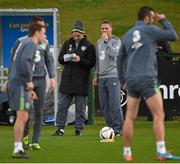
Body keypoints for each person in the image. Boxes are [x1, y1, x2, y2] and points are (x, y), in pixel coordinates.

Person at [117, 6, 180, 161]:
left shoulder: (127, 35)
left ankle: (127, 152)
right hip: (147, 79)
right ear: (147, 18)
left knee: (130, 117)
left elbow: (119, 59)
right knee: (159, 114)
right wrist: (163, 19)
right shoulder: (150, 30)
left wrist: (122, 80)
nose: (153, 19)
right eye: (152, 17)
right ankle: (161, 151)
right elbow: (173, 36)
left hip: (131, 80)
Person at [10, 17, 55, 150]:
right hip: (25, 81)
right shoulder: (23, 41)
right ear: (35, 29)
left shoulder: (44, 43)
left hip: (40, 79)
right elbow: (17, 61)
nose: (44, 33)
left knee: (38, 111)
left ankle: (34, 141)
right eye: (42, 30)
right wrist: (26, 81)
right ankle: (23, 139)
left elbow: (49, 60)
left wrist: (52, 76)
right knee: (24, 112)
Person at [7, 23, 47, 158]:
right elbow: (25, 62)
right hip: (19, 84)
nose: (45, 35)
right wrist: (29, 82)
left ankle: (18, 148)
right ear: (36, 33)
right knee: (22, 116)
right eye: (43, 32)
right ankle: (17, 149)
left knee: (23, 116)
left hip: (19, 83)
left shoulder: (26, 43)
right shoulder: (30, 43)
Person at [53, 20, 96, 136]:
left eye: (78, 35)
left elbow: (91, 63)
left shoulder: (89, 46)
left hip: (81, 81)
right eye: (74, 34)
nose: (76, 37)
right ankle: (60, 128)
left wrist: (80, 60)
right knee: (62, 106)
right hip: (67, 81)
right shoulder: (68, 43)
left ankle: (78, 129)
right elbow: (60, 59)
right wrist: (66, 58)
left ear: (83, 33)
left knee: (80, 108)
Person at [92, 20, 124, 136]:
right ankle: (110, 128)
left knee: (114, 104)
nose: (104, 30)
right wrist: (96, 75)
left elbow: (114, 54)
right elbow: (98, 61)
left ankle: (119, 129)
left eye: (107, 28)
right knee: (104, 106)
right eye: (103, 28)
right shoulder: (98, 42)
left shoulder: (116, 41)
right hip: (102, 77)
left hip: (113, 76)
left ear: (111, 29)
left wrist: (107, 42)